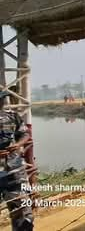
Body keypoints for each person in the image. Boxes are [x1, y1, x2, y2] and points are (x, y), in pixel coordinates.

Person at [0, 91, 34, 230]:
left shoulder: (12, 116)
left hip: (14, 174)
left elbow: (25, 133)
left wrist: (18, 144)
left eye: (2, 99)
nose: (2, 102)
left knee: (23, 215)